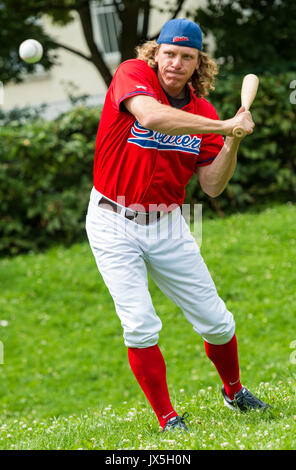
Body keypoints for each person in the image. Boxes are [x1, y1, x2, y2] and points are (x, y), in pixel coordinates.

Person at [86, 18, 270, 432]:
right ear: (156, 53)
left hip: (167, 222)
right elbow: (151, 118)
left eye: (187, 57)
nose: (175, 63)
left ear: (198, 64)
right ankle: (168, 419)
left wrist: (232, 140)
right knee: (139, 324)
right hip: (112, 218)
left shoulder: (204, 113)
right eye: (169, 53)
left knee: (217, 320)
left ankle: (234, 391)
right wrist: (223, 126)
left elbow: (212, 185)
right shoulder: (131, 76)